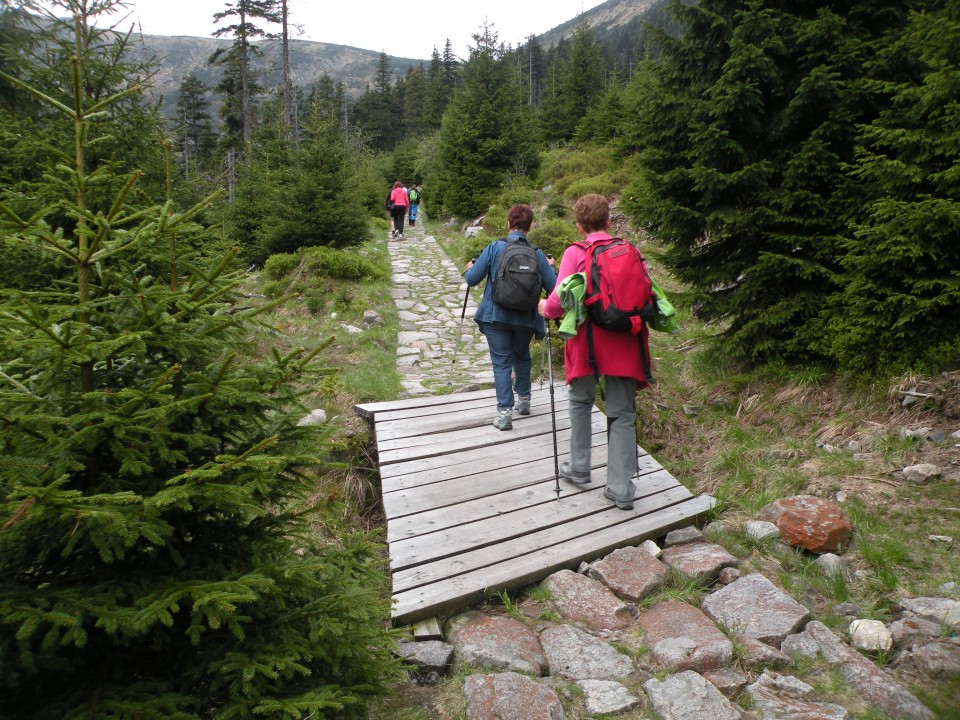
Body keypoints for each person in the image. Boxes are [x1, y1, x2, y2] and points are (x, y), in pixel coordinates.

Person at [538, 194, 651, 510]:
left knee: (580, 402)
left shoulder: (575, 253)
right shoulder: (629, 250)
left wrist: (544, 309)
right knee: (622, 413)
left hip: (587, 343)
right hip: (625, 340)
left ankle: (579, 467)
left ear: (578, 225)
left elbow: (558, 303)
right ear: (609, 221)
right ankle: (621, 488)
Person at [464, 204, 556, 430]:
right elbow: (554, 286)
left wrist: (469, 268)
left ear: (508, 223)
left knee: (501, 362)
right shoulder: (537, 253)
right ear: (530, 227)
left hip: (496, 316)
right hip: (526, 317)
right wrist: (551, 268)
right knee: (522, 355)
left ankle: (504, 413)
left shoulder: (495, 247)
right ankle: (524, 401)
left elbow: (472, 279)